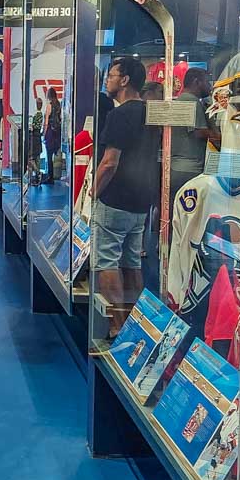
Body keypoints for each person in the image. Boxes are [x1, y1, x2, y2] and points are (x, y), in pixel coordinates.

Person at [93, 57, 159, 335]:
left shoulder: (119, 115)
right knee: (132, 261)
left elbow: (110, 162)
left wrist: (91, 193)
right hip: (141, 200)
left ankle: (116, 326)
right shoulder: (152, 113)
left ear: (125, 80)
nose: (107, 79)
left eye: (111, 74)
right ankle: (135, 325)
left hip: (116, 199)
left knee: (106, 260)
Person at [170, 67, 215, 205]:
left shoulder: (180, 100)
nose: (210, 86)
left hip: (176, 167)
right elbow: (199, 132)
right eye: (207, 82)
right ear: (197, 82)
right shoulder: (192, 102)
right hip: (190, 169)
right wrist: (222, 136)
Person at [43, 86, 61, 184]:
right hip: (57, 133)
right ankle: (54, 174)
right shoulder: (59, 104)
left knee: (48, 155)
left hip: (50, 132)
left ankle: (50, 176)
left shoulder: (49, 105)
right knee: (55, 154)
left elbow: (46, 120)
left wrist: (44, 133)